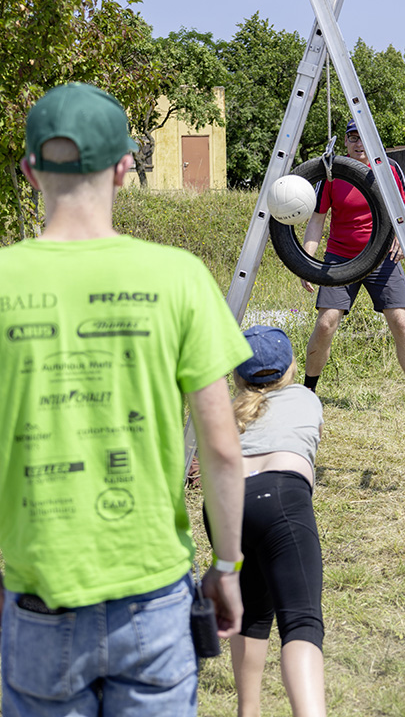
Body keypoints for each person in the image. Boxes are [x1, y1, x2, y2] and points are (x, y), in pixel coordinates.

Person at [0, 82, 252, 717]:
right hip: (155, 604)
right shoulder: (179, 276)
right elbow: (222, 449)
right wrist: (226, 565)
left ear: (30, 170)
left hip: (37, 604)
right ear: (124, 167)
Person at [222, 325, 326, 717]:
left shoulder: (226, 411)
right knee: (301, 621)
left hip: (225, 506)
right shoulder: (304, 398)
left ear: (237, 375)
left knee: (252, 611)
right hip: (280, 499)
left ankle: (247, 712)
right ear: (292, 369)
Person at [302, 119, 405, 418]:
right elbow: (317, 219)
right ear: (345, 143)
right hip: (340, 257)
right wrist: (307, 261)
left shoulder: (389, 169)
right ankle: (308, 393)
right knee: (325, 323)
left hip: (381, 257)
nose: (358, 143)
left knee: (400, 322)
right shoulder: (333, 173)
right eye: (352, 138)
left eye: (363, 137)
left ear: (374, 141)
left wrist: (404, 235)